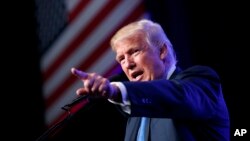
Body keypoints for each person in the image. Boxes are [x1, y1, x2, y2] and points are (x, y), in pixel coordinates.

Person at [71, 19, 230, 141]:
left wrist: (116, 91)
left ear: (162, 51)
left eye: (134, 51)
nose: (128, 64)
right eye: (121, 59)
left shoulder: (201, 81)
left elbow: (177, 95)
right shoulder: (135, 117)